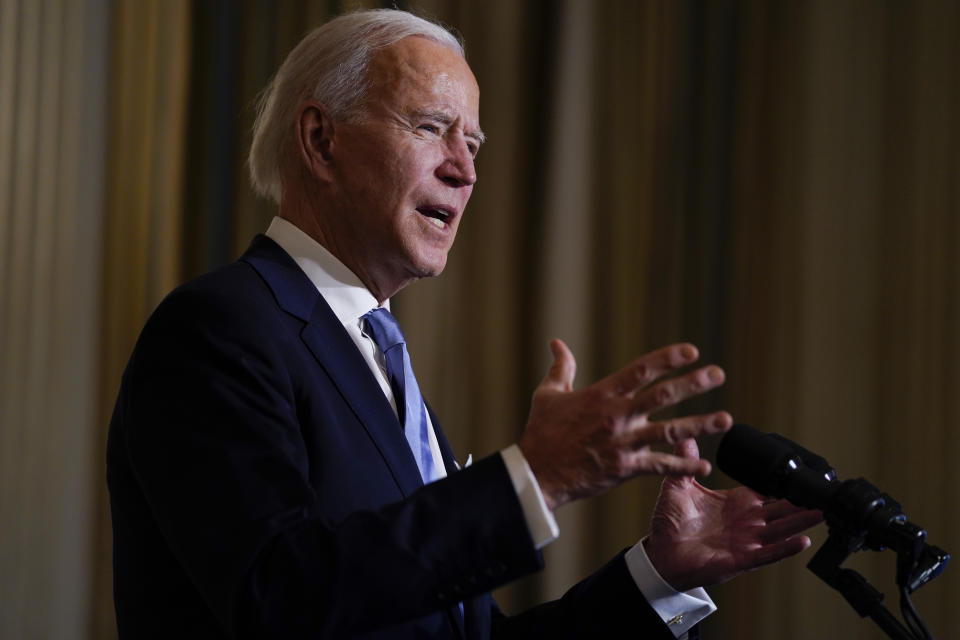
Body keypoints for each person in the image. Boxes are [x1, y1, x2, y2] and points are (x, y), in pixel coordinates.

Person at [106, 9, 821, 639]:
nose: (465, 171)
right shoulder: (220, 331)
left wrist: (658, 576)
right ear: (321, 141)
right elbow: (276, 599)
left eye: (473, 144)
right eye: (430, 128)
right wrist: (532, 478)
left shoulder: (382, 366)